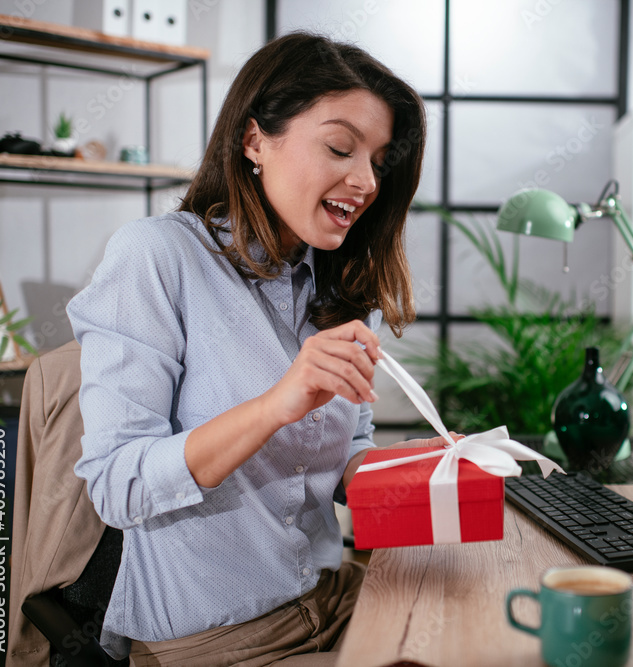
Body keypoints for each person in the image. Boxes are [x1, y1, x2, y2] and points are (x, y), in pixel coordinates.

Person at [67, 32, 435, 666]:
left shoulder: (337, 282)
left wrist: (420, 477)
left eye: (378, 159)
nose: (366, 180)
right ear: (254, 140)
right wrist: (275, 405)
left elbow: (346, 446)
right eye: (341, 147)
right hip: (217, 636)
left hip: (330, 594)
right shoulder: (157, 258)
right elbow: (117, 485)